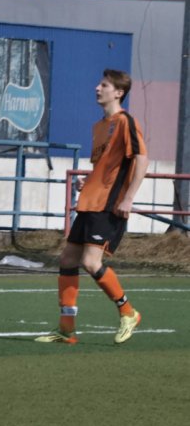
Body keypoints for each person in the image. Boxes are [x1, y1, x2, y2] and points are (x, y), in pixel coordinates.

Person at [36, 69, 148, 346]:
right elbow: (105, 166)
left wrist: (128, 197)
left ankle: (128, 311)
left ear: (119, 92)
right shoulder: (99, 127)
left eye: (104, 85)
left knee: (90, 262)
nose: (98, 88)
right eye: (99, 84)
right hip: (90, 202)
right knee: (67, 261)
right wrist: (90, 179)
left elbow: (142, 160)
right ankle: (67, 329)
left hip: (108, 205)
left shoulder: (126, 122)